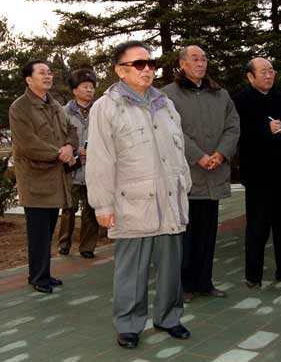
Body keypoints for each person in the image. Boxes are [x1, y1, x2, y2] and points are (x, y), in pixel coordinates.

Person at [86, 40, 192, 348]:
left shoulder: (166, 103)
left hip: (170, 201)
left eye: (151, 63)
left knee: (172, 266)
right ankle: (129, 324)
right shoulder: (106, 108)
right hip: (132, 201)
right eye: (139, 64)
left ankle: (169, 317)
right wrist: (102, 204)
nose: (148, 69)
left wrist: (183, 183)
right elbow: (101, 160)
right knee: (132, 271)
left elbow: (179, 149)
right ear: (120, 70)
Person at [163, 45, 240, 302]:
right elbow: (172, 131)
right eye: (194, 59)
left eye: (204, 58)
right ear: (182, 64)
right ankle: (184, 286)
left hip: (214, 175)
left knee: (208, 234)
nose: (201, 63)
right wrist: (199, 156)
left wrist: (221, 153)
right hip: (187, 176)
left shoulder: (220, 94)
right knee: (186, 235)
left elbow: (233, 126)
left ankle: (204, 282)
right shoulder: (169, 95)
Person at [9, 60, 78, 293]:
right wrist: (60, 154)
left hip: (56, 179)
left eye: (49, 73)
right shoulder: (20, 108)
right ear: (29, 79)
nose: (48, 76)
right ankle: (38, 277)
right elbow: (28, 143)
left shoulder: (56, 105)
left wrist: (69, 146)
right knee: (38, 233)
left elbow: (71, 129)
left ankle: (43, 273)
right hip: (36, 180)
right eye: (42, 73)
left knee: (47, 231)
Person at [232, 57, 281, 287]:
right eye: (263, 72)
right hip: (258, 172)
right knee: (257, 225)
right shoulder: (240, 100)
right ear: (250, 76)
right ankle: (254, 275)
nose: (269, 75)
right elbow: (236, 133)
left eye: (271, 71)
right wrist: (264, 129)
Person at [58, 69, 102, 259]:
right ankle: (64, 243)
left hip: (94, 169)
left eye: (92, 87)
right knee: (69, 208)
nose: (89, 90)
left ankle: (87, 247)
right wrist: (75, 152)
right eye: (85, 87)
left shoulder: (100, 110)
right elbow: (59, 137)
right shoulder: (64, 111)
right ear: (75, 90)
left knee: (91, 209)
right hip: (72, 168)